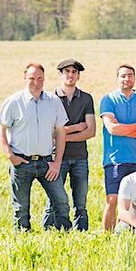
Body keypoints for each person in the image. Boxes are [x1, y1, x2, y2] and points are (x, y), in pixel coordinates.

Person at [0, 63, 71, 231]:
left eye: (40, 78)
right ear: (24, 78)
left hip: (47, 163)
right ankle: (24, 240)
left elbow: (60, 132)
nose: (36, 82)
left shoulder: (53, 101)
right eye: (31, 78)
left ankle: (64, 237)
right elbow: (0, 128)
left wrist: (57, 162)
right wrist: (10, 155)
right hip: (21, 162)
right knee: (21, 207)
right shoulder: (14, 102)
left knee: (62, 202)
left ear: (44, 79)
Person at [42, 59, 95, 231]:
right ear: (60, 75)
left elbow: (90, 131)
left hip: (80, 157)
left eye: (74, 72)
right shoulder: (50, 99)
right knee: (54, 199)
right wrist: (75, 128)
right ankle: (50, 232)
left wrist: (62, 135)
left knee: (80, 202)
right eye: (67, 72)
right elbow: (48, 132)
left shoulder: (86, 98)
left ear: (78, 76)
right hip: (56, 158)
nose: (70, 75)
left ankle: (81, 234)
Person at [100, 64, 136, 231]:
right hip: (114, 159)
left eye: (130, 75)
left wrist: (122, 129)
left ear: (134, 78)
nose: (126, 79)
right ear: (117, 79)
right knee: (112, 199)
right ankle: (107, 237)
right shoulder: (108, 99)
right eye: (123, 76)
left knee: (135, 201)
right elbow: (112, 129)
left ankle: (133, 232)